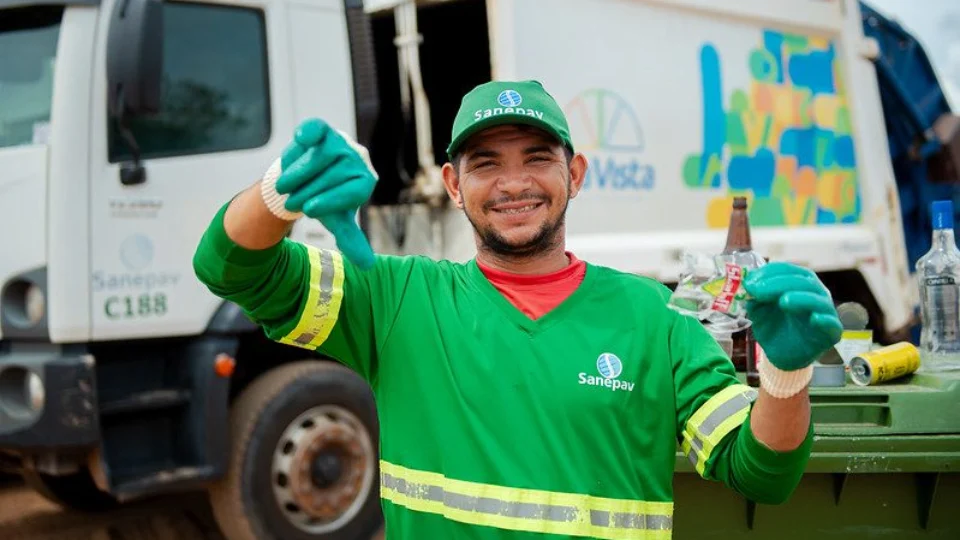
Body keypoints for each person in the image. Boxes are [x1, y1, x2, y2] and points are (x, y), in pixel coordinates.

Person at [193, 79, 842, 539]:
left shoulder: (657, 318)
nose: (513, 183)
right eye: (485, 163)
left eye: (537, 158)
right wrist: (280, 191)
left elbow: (761, 475)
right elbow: (230, 267)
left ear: (576, 174)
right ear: (452, 184)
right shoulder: (393, 298)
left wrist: (786, 375)